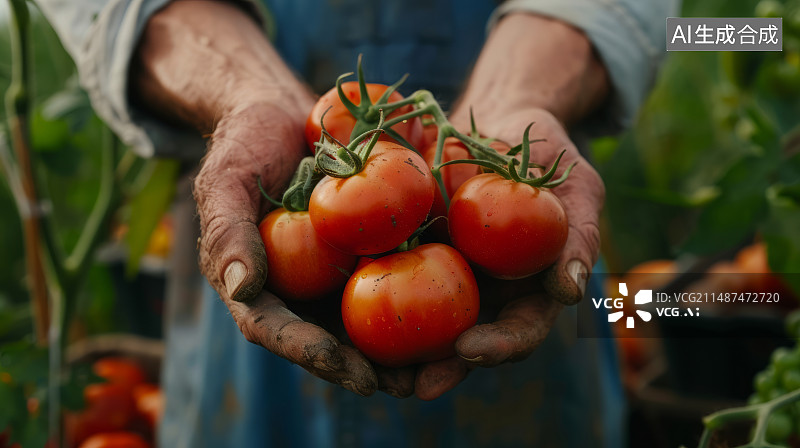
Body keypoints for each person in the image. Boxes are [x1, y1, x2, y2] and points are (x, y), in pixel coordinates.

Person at [38, 0, 677, 446]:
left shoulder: (439, 174)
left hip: (523, 361)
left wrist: (523, 91)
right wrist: (243, 94)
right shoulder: (387, 185)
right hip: (254, 363)